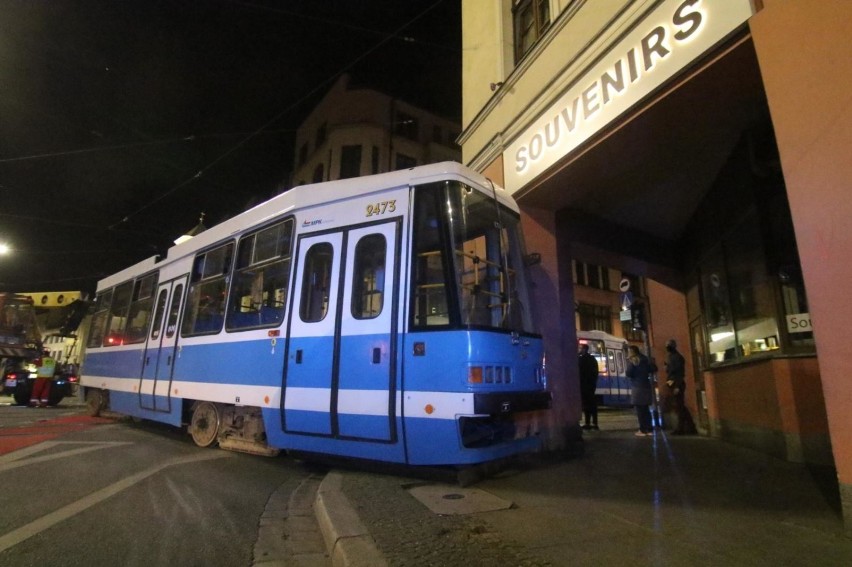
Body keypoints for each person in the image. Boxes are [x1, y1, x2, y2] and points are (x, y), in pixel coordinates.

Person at [664, 339, 694, 434]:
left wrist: (677, 386)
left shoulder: (676, 357)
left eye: (668, 345)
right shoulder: (672, 357)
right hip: (673, 383)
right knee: (680, 406)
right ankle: (690, 426)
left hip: (677, 384)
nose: (667, 347)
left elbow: (679, 373)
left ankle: (681, 428)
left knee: (679, 406)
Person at [626, 345, 654, 436]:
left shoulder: (633, 360)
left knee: (639, 410)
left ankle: (642, 430)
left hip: (637, 387)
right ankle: (649, 429)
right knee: (646, 409)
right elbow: (653, 368)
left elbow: (629, 373)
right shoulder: (645, 359)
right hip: (646, 385)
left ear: (632, 352)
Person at [578, 343, 599, 430]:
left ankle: (587, 423)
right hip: (591, 384)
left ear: (584, 350)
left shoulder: (581, 359)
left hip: (584, 385)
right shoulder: (593, 359)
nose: (579, 350)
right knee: (592, 404)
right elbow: (595, 372)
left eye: (580, 349)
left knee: (586, 405)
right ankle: (595, 423)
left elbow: (578, 370)